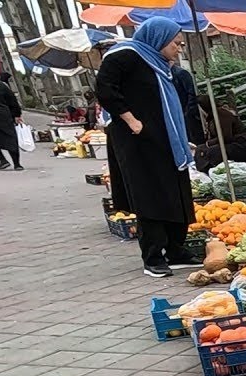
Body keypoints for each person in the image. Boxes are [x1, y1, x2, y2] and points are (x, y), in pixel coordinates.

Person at [95, 17, 198, 278]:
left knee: (176, 191)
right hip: (137, 140)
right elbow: (105, 90)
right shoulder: (125, 56)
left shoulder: (160, 64)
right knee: (150, 195)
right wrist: (131, 120)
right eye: (176, 42)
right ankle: (152, 257)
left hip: (165, 139)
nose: (180, 46)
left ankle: (176, 250)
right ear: (159, 39)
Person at [193, 94, 246, 173]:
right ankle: (201, 170)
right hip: (229, 144)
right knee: (199, 149)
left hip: (242, 146)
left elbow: (226, 137)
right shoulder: (211, 118)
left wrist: (209, 144)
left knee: (214, 151)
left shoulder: (223, 114)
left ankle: (210, 169)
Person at [170, 62, 204, 145]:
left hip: (187, 112)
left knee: (194, 138)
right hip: (177, 112)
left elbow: (192, 92)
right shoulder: (167, 75)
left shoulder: (181, 73)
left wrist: (188, 111)